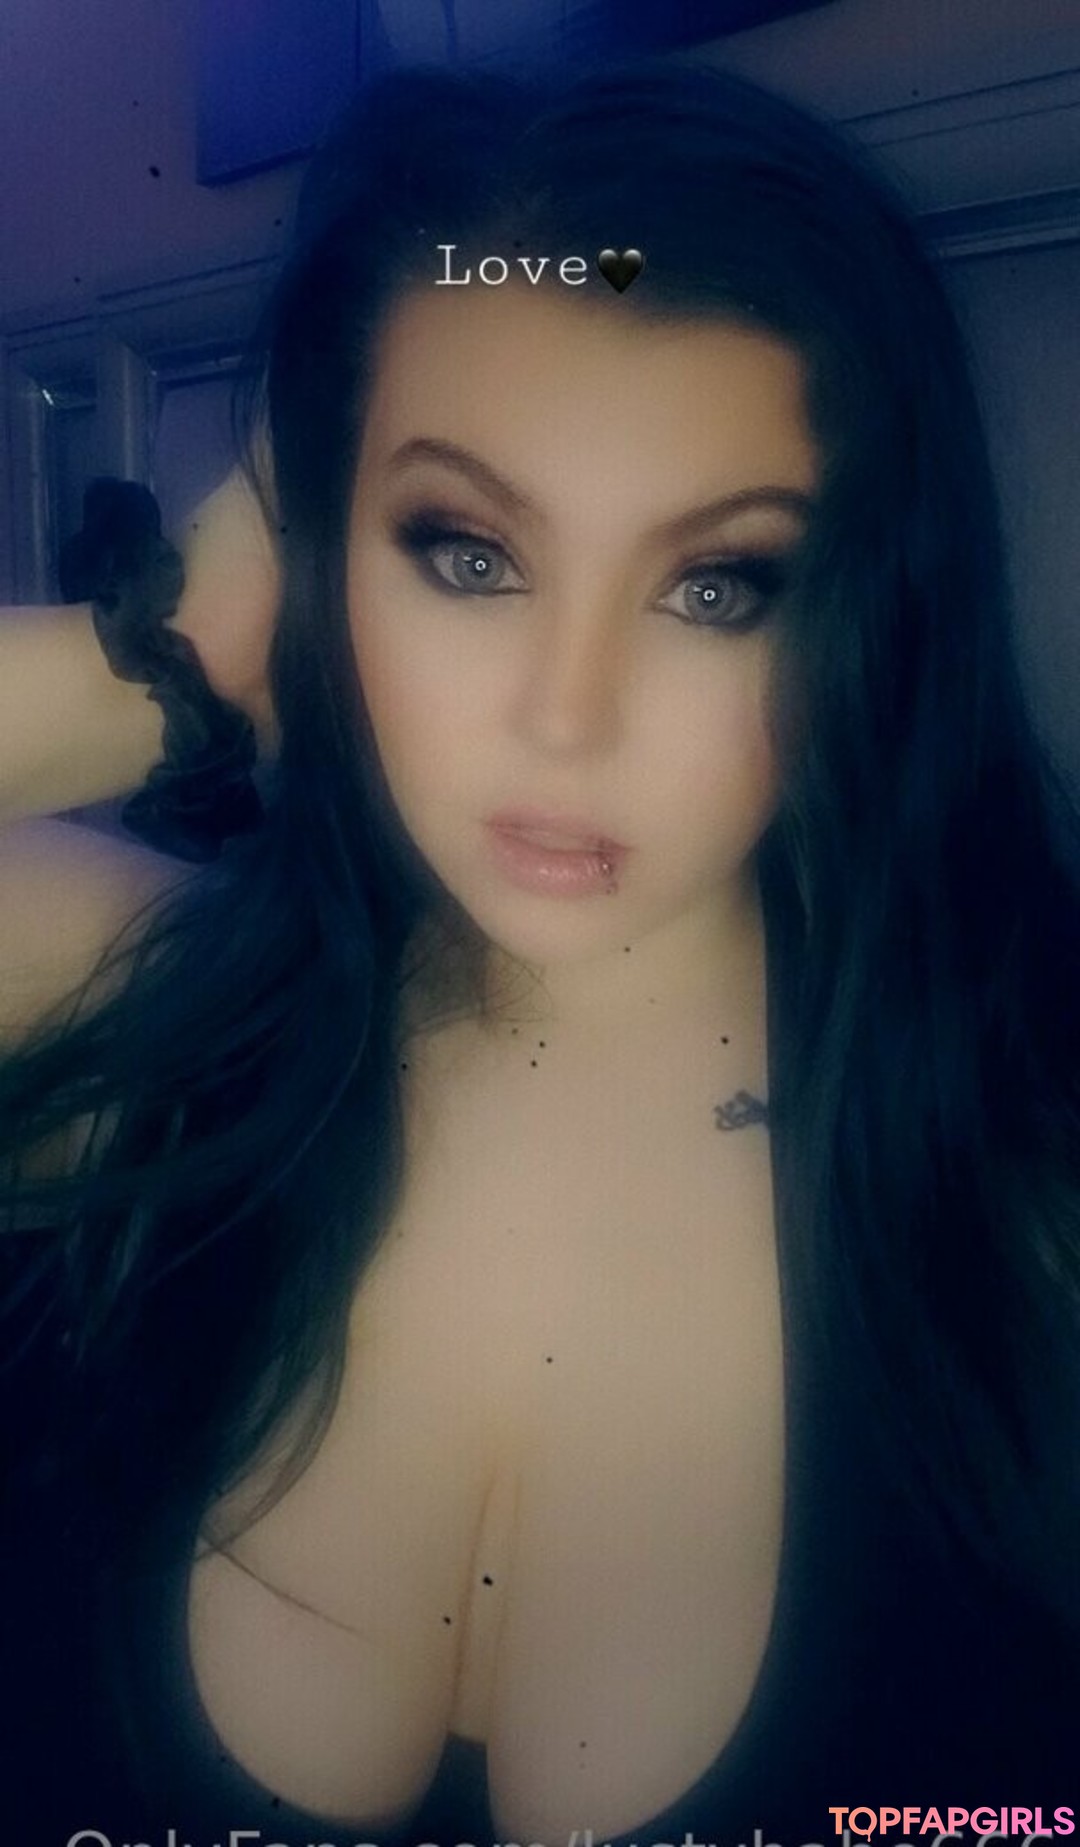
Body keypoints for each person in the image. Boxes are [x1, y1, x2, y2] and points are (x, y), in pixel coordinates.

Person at [2, 52, 1080, 1846]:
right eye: (467, 553)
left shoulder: (1028, 1189)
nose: (568, 719)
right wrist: (174, 660)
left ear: (862, 617)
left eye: (716, 585)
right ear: (324, 546)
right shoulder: (135, 1022)